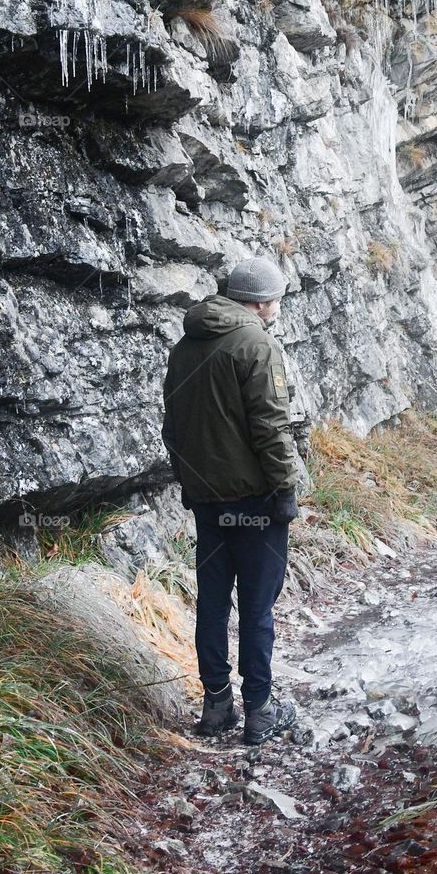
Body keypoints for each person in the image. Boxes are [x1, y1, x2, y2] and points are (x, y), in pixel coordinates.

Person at [161, 255, 300, 746]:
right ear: (261, 301)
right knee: (258, 608)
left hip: (207, 502)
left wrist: (190, 485)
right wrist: (285, 488)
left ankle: (217, 705)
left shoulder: (184, 348)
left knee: (214, 603)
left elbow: (172, 429)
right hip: (257, 503)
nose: (277, 308)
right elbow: (271, 427)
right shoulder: (256, 344)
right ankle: (260, 711)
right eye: (276, 300)